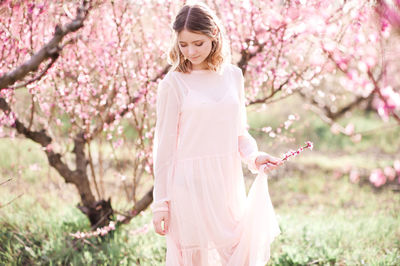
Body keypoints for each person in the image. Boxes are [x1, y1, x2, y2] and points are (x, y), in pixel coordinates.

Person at [151, 2, 283, 265]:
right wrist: (161, 204)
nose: (190, 51)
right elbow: (164, 148)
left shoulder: (233, 76)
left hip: (226, 182)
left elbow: (238, 133)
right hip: (187, 185)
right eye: (184, 44)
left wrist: (254, 157)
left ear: (214, 36)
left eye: (198, 43)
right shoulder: (173, 83)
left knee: (238, 254)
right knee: (196, 258)